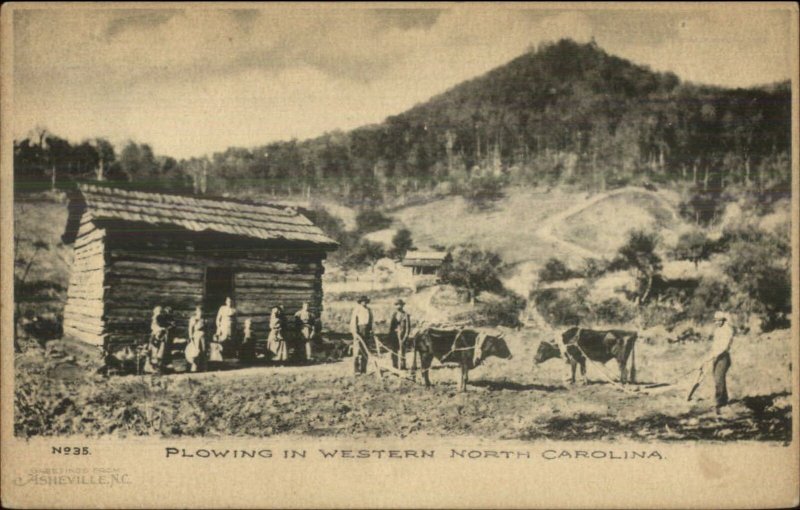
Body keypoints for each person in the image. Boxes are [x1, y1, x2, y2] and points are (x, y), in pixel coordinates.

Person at [706, 311, 735, 413]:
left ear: (723, 320)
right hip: (716, 357)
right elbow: (715, 345)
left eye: (719, 321)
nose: (717, 323)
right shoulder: (717, 331)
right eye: (715, 321)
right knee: (717, 378)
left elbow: (724, 347)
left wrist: (715, 355)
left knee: (719, 378)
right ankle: (723, 399)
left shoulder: (728, 331)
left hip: (723, 357)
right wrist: (710, 355)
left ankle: (719, 402)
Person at [350, 296, 373, 375]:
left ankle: (363, 370)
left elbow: (371, 321)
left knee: (365, 351)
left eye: (366, 301)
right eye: (363, 301)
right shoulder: (357, 309)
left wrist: (371, 330)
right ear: (360, 302)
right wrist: (355, 332)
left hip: (366, 331)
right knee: (357, 350)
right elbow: (353, 321)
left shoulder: (369, 310)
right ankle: (356, 370)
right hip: (359, 330)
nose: (364, 302)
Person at [388, 299, 411, 369]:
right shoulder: (393, 314)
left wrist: (406, 336)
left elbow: (408, 327)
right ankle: (394, 366)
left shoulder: (406, 315)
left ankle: (402, 366)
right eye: (397, 305)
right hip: (394, 335)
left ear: (402, 306)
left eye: (400, 305)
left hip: (402, 335)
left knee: (402, 351)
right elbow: (391, 326)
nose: (398, 306)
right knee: (394, 350)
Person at [186, 306, 207, 372]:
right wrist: (191, 336)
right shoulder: (194, 319)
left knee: (203, 351)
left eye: (201, 311)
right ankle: (194, 367)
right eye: (199, 311)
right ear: (196, 312)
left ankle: (203, 367)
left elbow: (207, 329)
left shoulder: (204, 319)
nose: (200, 313)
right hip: (196, 336)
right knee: (196, 351)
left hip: (203, 336)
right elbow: (190, 328)